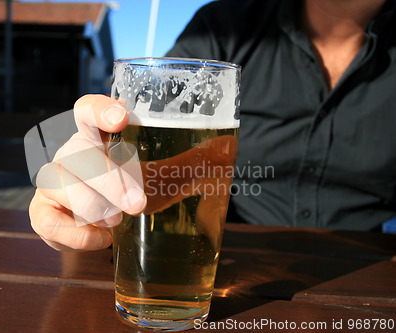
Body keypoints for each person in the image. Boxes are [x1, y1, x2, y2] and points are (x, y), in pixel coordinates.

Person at [29, 0, 396, 251]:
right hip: (228, 266)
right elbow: (144, 147)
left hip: (368, 270)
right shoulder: (226, 29)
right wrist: (88, 177)